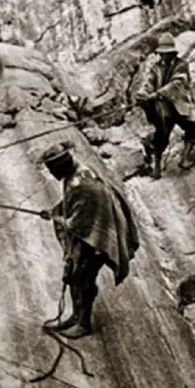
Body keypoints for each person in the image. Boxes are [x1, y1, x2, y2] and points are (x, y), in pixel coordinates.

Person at [37, 141, 140, 339]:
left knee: (83, 278)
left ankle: (83, 323)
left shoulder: (81, 183)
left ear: (61, 166)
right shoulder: (76, 173)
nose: (51, 174)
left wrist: (58, 218)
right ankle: (75, 316)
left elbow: (79, 223)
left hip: (95, 240)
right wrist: (54, 211)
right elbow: (72, 204)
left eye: (52, 170)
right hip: (90, 233)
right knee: (75, 275)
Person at [133, 32, 195, 178]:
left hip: (180, 104)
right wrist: (143, 95)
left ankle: (184, 158)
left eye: (166, 53)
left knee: (192, 125)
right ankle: (156, 166)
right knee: (162, 134)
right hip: (164, 108)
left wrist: (158, 93)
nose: (164, 56)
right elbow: (149, 83)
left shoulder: (182, 65)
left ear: (172, 53)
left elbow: (177, 83)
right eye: (162, 54)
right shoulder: (156, 68)